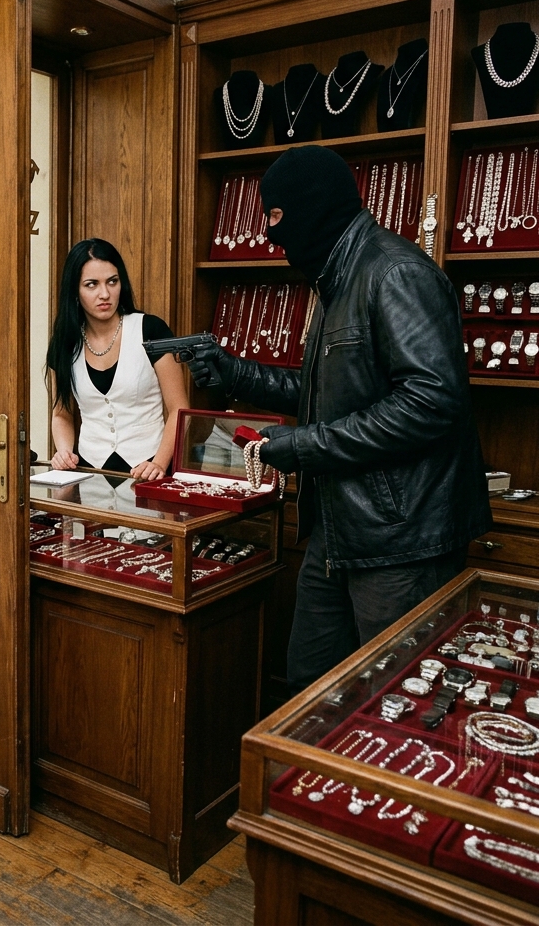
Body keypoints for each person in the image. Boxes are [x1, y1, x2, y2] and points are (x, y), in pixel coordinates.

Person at [185, 146, 491, 694]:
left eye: (276, 216)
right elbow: (323, 393)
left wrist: (302, 446)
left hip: (401, 539)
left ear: (312, 206)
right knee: (312, 687)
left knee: (396, 697)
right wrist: (235, 373)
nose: (271, 234)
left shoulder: (394, 273)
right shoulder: (334, 278)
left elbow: (432, 401)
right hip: (339, 528)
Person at [45, 238, 188, 481]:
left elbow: (180, 409)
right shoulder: (65, 343)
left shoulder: (150, 330)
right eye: (91, 285)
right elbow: (62, 414)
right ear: (74, 292)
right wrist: (64, 452)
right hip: (90, 470)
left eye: (112, 281)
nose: (105, 294)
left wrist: (160, 464)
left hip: (149, 469)